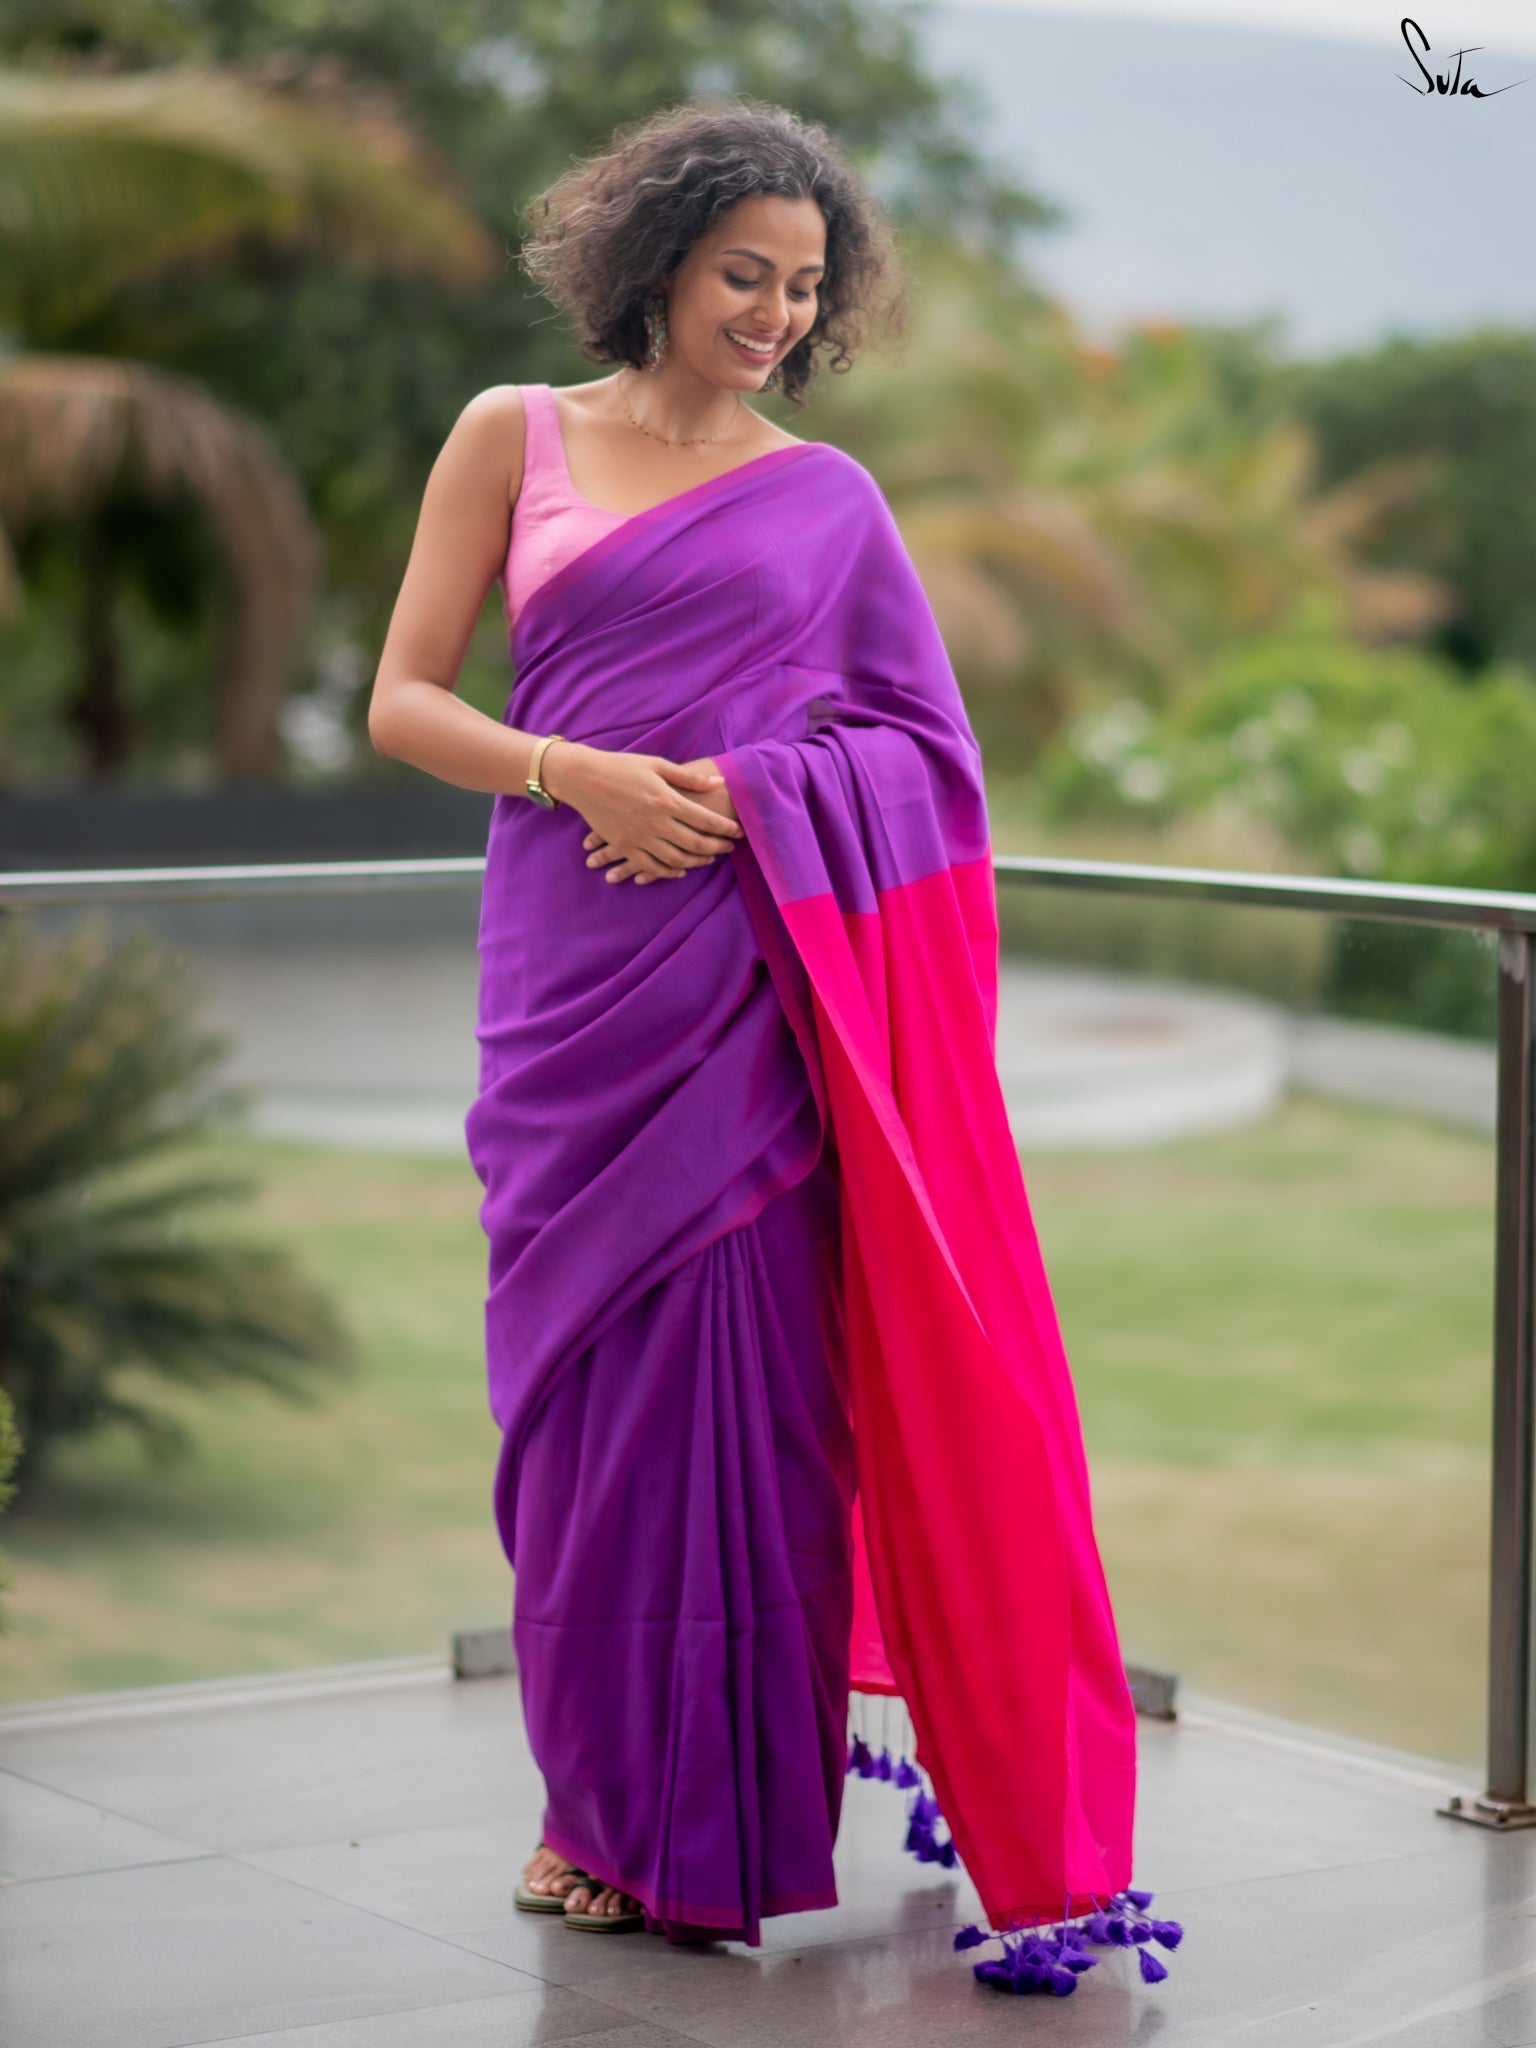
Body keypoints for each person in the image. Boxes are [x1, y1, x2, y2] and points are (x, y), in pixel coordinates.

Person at [369, 97, 1176, 1991]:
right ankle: (592, 1815)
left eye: (805, 288)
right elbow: (401, 699)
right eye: (746, 273)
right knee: (580, 1414)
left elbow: (926, 759)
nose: (774, 315)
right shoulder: (512, 433)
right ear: (655, 260)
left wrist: (749, 794)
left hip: (749, 988)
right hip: (568, 974)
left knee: (751, 1408)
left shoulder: (828, 502)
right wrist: (574, 772)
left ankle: (714, 1830)